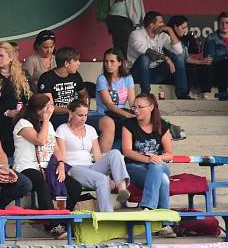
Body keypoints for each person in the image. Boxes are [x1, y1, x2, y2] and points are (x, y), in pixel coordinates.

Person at [12, 93, 76, 237]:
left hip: (47, 166)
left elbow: (56, 148)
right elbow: (40, 141)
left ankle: (64, 222)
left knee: (74, 186)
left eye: (50, 107)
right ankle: (53, 226)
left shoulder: (49, 125)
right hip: (26, 166)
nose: (49, 110)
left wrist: (61, 164)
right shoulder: (23, 123)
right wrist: (46, 120)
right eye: (46, 108)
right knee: (42, 184)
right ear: (36, 110)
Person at [56, 100, 130, 212]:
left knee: (115, 153)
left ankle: (122, 188)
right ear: (71, 114)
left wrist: (109, 175)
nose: (83, 118)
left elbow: (97, 156)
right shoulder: (62, 129)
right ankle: (107, 216)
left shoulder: (90, 129)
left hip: (91, 166)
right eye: (80, 115)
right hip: (73, 168)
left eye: (85, 115)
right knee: (101, 179)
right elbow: (62, 156)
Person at [121, 93, 176, 238]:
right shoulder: (129, 125)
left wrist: (156, 158)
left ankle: (147, 207)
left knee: (157, 167)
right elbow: (127, 151)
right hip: (135, 167)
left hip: (158, 165)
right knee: (163, 180)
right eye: (134, 107)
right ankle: (166, 224)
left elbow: (170, 154)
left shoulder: (162, 125)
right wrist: (147, 159)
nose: (136, 110)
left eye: (140, 107)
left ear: (151, 107)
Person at [0, 42, 32, 156]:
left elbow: (32, 98)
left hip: (21, 119)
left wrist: (22, 112)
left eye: (1, 56)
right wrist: (7, 112)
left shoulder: (24, 75)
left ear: (11, 57)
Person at [127, 11, 189, 99]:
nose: (163, 25)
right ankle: (145, 93)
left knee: (178, 58)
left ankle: (182, 94)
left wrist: (170, 30)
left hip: (155, 73)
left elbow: (179, 51)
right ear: (151, 25)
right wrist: (166, 58)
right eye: (160, 22)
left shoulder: (161, 36)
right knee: (145, 58)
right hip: (137, 74)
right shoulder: (136, 34)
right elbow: (148, 52)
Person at [37, 46, 91, 129]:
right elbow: (49, 107)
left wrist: (85, 111)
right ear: (66, 63)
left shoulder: (76, 75)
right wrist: (72, 111)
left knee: (103, 121)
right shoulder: (46, 78)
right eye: (76, 60)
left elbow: (84, 95)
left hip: (75, 115)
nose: (79, 63)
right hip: (55, 117)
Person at [95, 48, 136, 152]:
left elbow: (132, 102)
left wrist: (139, 112)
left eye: (112, 61)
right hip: (105, 114)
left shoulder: (128, 78)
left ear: (120, 63)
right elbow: (109, 105)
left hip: (121, 114)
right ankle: (105, 157)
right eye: (106, 61)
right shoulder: (102, 79)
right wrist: (127, 115)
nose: (108, 64)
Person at [167, 15, 212, 99]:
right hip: (170, 69)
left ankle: (205, 93)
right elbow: (180, 55)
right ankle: (183, 94)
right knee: (191, 68)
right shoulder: (166, 37)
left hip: (181, 68)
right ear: (175, 27)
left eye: (186, 28)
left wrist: (194, 39)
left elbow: (192, 53)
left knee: (204, 65)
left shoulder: (183, 38)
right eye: (183, 28)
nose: (185, 31)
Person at [204, 12, 228, 94]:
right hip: (219, 66)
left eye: (227, 23)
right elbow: (209, 59)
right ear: (218, 24)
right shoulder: (212, 38)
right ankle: (224, 93)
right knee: (227, 63)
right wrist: (227, 57)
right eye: (221, 23)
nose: (224, 25)